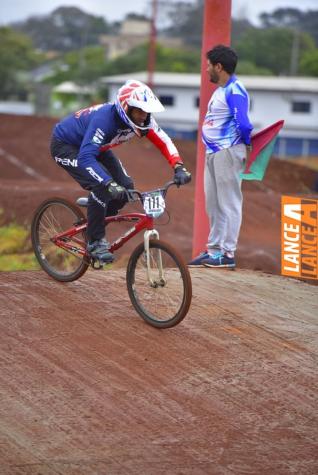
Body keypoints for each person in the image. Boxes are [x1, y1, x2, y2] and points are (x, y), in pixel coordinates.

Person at [50, 80, 191, 263]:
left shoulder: (144, 121)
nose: (143, 116)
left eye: (147, 111)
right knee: (102, 186)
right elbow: (86, 157)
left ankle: (94, 216)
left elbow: (164, 141)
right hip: (67, 146)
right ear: (126, 108)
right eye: (139, 110)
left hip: (97, 148)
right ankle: (95, 241)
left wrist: (178, 166)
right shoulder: (105, 120)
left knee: (125, 189)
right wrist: (107, 183)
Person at [188, 44, 253, 269]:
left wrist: (246, 145)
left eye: (208, 66)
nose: (206, 70)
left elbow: (244, 123)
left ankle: (228, 253)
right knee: (213, 204)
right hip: (213, 152)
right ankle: (214, 251)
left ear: (219, 66)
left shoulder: (235, 90)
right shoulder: (220, 90)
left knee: (230, 203)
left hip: (228, 151)